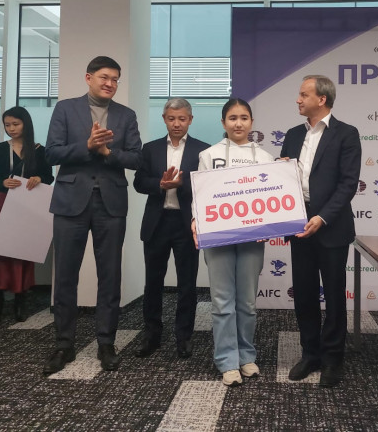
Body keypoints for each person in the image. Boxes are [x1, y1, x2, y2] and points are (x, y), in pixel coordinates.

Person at [43, 55, 142, 375]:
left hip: (110, 204)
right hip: (70, 202)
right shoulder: (65, 109)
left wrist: (108, 153)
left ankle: (106, 343)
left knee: (110, 276)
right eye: (104, 77)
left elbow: (136, 158)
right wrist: (87, 146)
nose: (110, 83)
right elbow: (51, 153)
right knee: (65, 276)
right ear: (89, 78)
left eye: (115, 79)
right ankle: (64, 344)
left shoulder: (126, 115)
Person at [280, 75, 361, 388]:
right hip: (298, 223)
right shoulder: (292, 135)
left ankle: (332, 358)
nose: (298, 100)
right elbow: (284, 179)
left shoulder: (346, 134)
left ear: (322, 99)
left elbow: (348, 184)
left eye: (304, 94)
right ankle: (310, 353)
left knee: (335, 295)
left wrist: (322, 217)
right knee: (304, 293)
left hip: (331, 225)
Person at [194, 98, 275, 387]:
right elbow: (200, 194)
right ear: (223, 122)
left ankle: (246, 356)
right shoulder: (209, 155)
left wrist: (270, 223)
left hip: (252, 237)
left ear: (251, 122)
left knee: (248, 302)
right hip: (218, 236)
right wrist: (196, 220)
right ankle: (227, 360)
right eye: (232, 118)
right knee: (221, 300)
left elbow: (271, 197)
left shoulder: (265, 158)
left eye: (243, 118)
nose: (238, 123)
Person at [133, 98, 209, 359]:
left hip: (186, 223)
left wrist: (180, 184)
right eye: (171, 118)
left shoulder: (203, 151)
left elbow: (206, 185)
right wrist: (160, 184)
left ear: (190, 120)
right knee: (153, 282)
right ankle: (151, 334)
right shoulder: (150, 148)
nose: (177, 123)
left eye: (182, 119)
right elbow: (139, 182)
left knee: (187, 283)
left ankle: (183, 336)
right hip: (157, 222)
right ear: (164, 119)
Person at [0, 106, 54, 323]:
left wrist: (39, 179)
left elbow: (49, 177)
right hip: (2, 200)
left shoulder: (39, 150)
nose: (11, 129)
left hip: (27, 204)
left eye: (16, 124)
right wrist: (2, 181)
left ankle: (20, 301)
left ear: (26, 124)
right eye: (7, 125)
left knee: (23, 250)